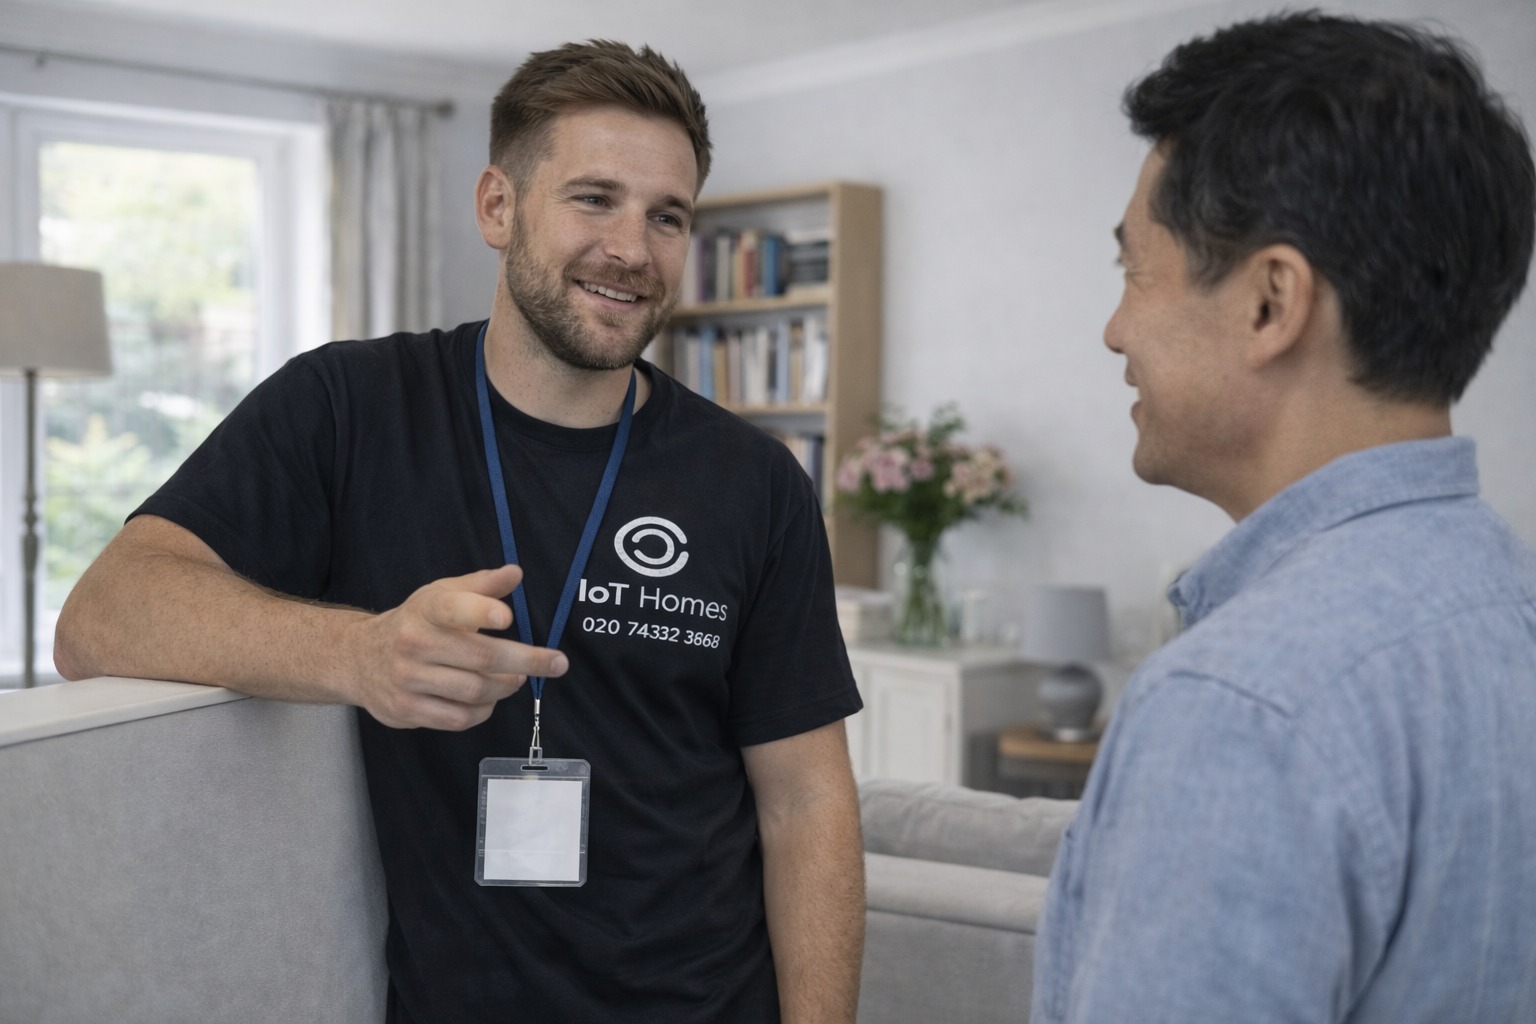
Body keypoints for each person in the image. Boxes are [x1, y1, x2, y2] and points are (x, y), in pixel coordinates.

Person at [55, 39, 865, 1024]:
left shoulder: (754, 480)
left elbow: (806, 803)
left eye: (668, 215)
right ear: (497, 206)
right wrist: (358, 653)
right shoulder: (349, 408)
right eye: (594, 197)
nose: (632, 248)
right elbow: (99, 617)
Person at [1033, 12, 1536, 1024]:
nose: (1114, 327)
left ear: (1272, 302)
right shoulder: (1512, 606)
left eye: (1135, 268)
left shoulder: (1240, 702)